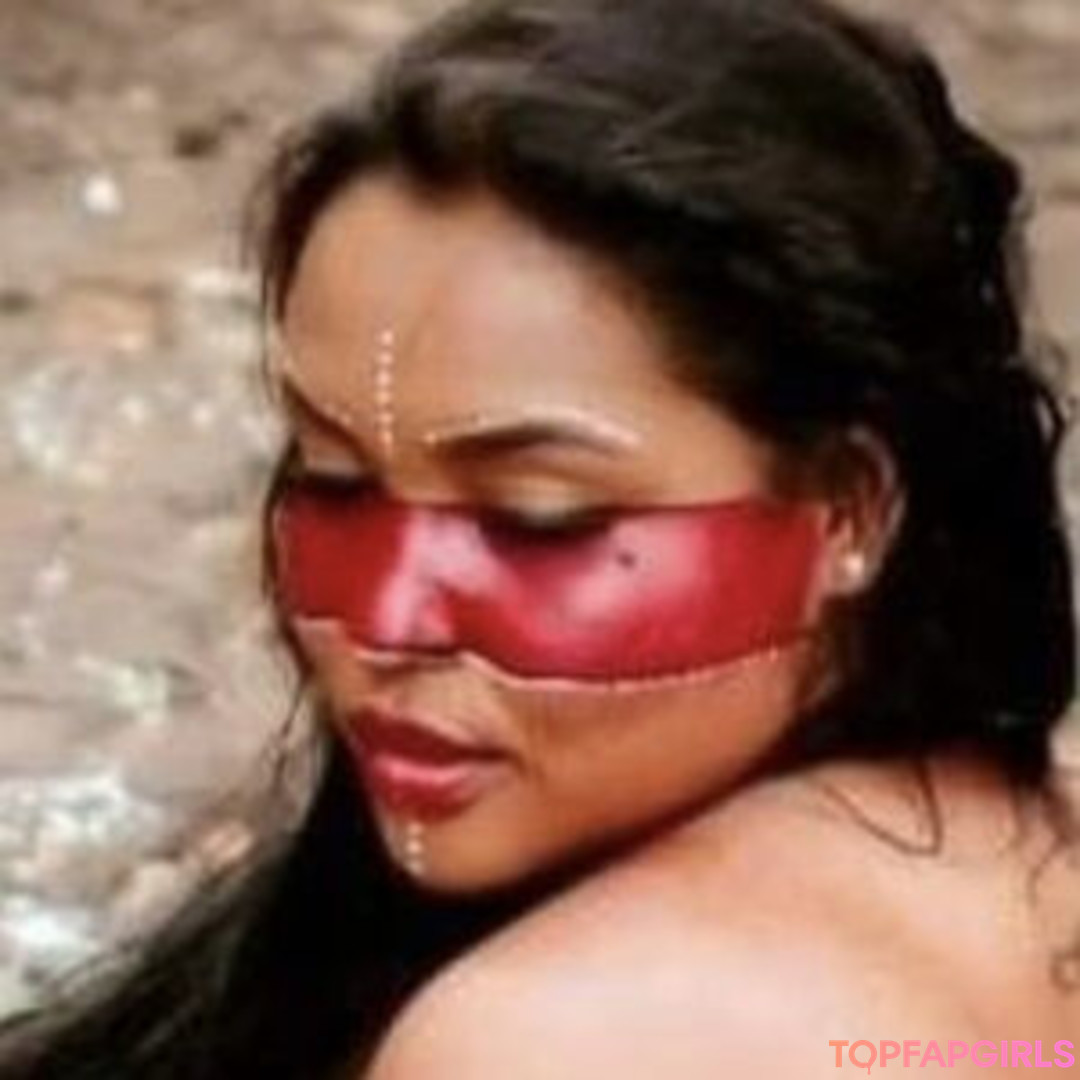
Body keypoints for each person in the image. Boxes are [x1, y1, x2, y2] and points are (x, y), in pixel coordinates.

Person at [2, 0, 1078, 1075]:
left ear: (849, 509)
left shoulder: (549, 1039)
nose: (385, 619)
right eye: (333, 481)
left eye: (537, 521)